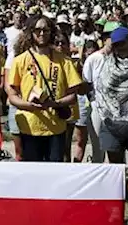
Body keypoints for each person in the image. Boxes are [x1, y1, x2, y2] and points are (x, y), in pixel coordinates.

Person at [7, 16, 82, 162]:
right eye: (38, 30)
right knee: (33, 173)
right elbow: (12, 95)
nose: (42, 34)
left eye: (46, 30)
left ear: (51, 32)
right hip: (29, 127)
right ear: (31, 33)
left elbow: (73, 96)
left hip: (56, 127)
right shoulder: (19, 60)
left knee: (55, 172)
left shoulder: (64, 60)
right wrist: (27, 105)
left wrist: (54, 104)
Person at [88, 27, 128, 164]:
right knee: (116, 169)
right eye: (116, 45)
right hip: (110, 121)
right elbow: (102, 91)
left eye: (123, 43)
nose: (120, 48)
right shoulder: (106, 65)